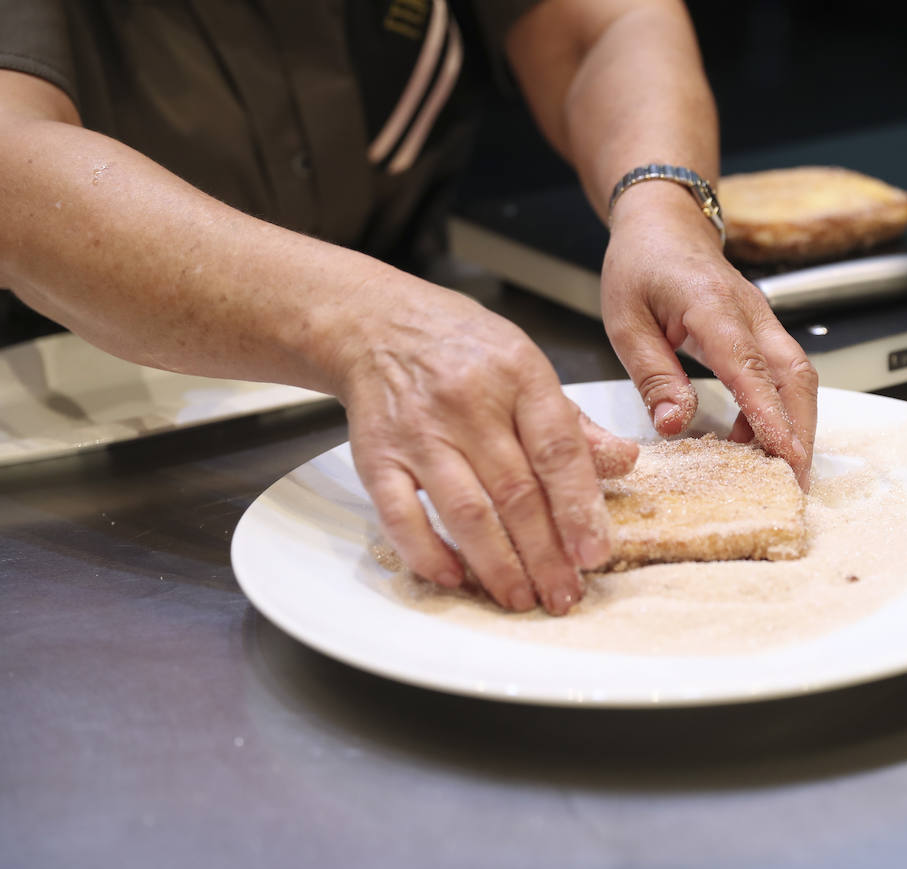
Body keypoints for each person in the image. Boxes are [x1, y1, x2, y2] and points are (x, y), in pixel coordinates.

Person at [0, 0, 818, 615]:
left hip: (427, 362)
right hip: (69, 429)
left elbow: (597, 24)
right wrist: (362, 322)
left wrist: (660, 204)